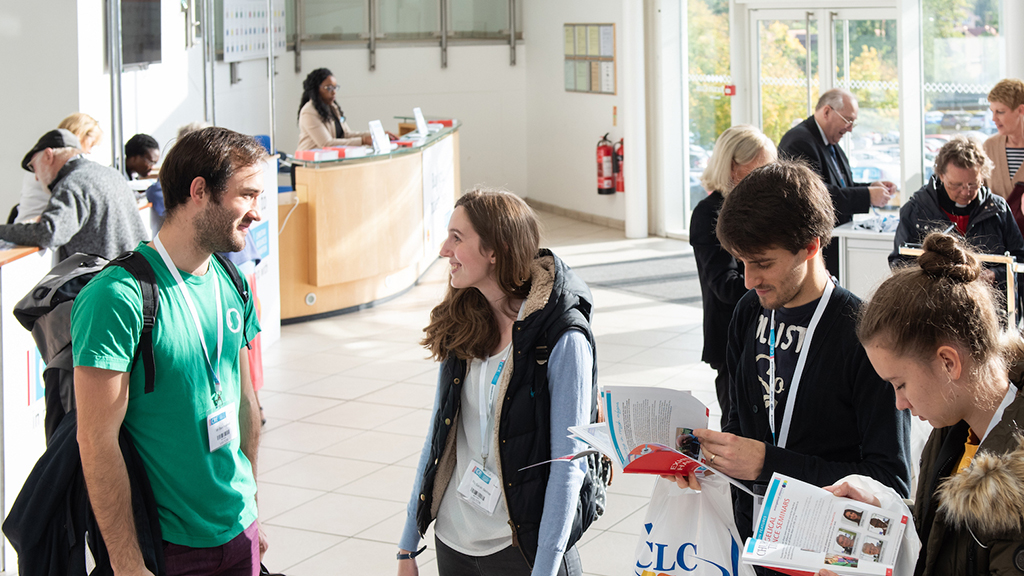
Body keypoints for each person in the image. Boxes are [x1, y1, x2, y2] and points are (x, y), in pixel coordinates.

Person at [674, 161, 911, 570]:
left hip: (826, 555)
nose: (748, 280)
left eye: (763, 263)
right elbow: (739, 424)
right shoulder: (749, 312)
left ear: (812, 246)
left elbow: (889, 481)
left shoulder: (863, 336)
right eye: (740, 262)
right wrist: (709, 462)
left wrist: (770, 464)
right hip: (756, 544)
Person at [72, 126, 267, 575]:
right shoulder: (117, 298)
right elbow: (96, 441)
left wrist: (253, 509)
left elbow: (245, 404)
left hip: (240, 530)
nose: (257, 212)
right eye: (247, 196)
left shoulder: (231, 282)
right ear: (200, 191)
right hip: (167, 548)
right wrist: (126, 562)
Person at [398, 189, 597, 576]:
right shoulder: (465, 321)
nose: (443, 250)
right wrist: (409, 545)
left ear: (496, 250)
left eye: (457, 238)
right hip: (454, 539)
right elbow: (440, 436)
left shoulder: (561, 338)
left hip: (523, 549)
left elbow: (568, 465)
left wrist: (545, 567)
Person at [817, 232, 1024, 576]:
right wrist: (883, 516)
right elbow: (947, 534)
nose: (899, 403)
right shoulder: (956, 430)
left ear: (948, 363)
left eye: (900, 384)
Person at [690, 124, 777, 427]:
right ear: (732, 165)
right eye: (761, 168)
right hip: (730, 338)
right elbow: (724, 286)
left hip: (766, 333)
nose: (768, 177)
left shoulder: (758, 207)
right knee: (736, 428)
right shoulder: (708, 213)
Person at [889, 136, 1024, 314]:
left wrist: (995, 275)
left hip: (989, 310)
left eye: (973, 184)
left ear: (982, 175)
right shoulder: (916, 210)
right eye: (956, 185)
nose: (966, 192)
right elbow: (900, 262)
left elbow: (1020, 258)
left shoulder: (998, 209)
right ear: (941, 175)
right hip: (934, 310)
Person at [778, 88, 897, 277]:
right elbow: (816, 196)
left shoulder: (830, 142)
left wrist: (870, 187)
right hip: (817, 249)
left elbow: (841, 187)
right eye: (848, 120)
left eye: (853, 123)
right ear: (827, 112)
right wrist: (867, 196)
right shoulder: (799, 142)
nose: (850, 128)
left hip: (836, 245)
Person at [1, 129, 149, 260]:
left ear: (48, 155)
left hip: (109, 281)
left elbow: (48, 233)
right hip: (136, 273)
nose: (36, 177)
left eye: (33, 166)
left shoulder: (72, 183)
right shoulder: (110, 173)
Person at [15, 112, 104, 224]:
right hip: (37, 229)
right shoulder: (58, 168)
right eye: (91, 144)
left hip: (31, 226)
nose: (90, 151)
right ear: (80, 134)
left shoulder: (42, 160)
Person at [296, 67, 395, 151]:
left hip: (328, 163)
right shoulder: (309, 112)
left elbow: (346, 134)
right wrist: (363, 141)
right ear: (316, 89)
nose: (334, 92)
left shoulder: (333, 107)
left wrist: (376, 134)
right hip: (306, 166)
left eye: (335, 88)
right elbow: (326, 144)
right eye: (329, 88)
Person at [983, 79, 1024, 231]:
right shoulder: (989, 147)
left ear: (1021, 110)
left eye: (1000, 112)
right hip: (1000, 239)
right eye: (992, 112)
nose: (994, 119)